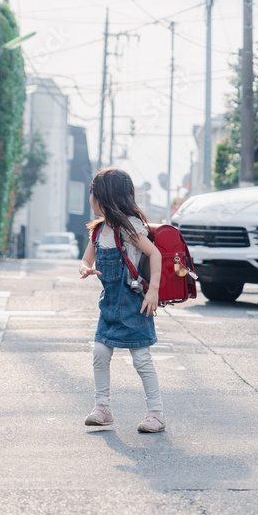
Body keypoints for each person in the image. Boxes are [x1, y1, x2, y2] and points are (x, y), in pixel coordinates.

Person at [78, 168, 166, 433]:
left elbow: (156, 255)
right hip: (109, 305)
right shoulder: (97, 231)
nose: (90, 199)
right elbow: (86, 259)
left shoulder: (129, 228)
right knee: (99, 353)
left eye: (92, 193)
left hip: (134, 303)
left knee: (141, 359)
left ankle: (156, 413)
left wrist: (154, 291)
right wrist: (85, 268)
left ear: (105, 196)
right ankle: (102, 408)